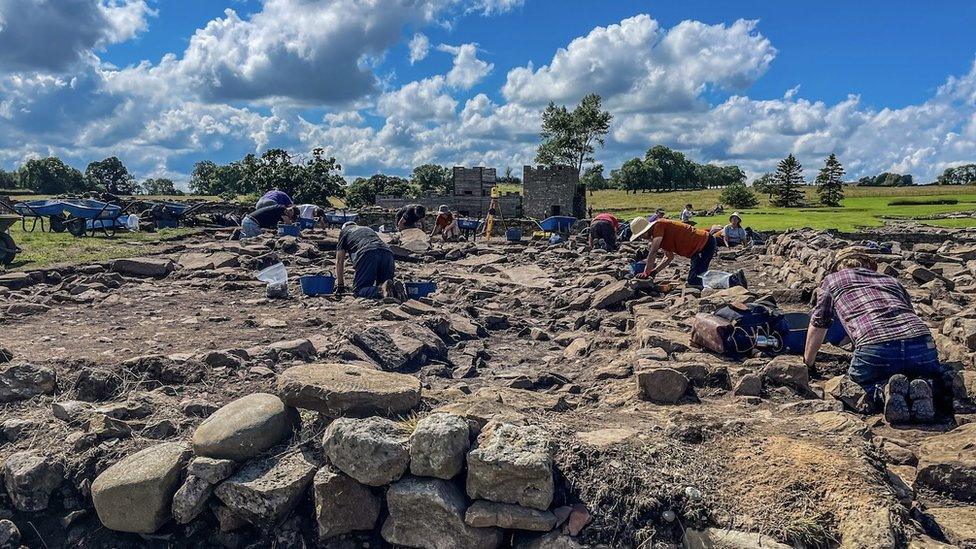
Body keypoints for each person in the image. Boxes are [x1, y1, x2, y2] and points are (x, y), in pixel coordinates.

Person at [804, 246, 953, 423]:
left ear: (839, 267)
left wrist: (809, 363)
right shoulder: (891, 280)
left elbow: (819, 323)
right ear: (871, 266)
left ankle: (883, 391)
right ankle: (925, 387)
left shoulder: (832, 280)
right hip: (920, 341)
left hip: (876, 347)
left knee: (858, 385)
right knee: (928, 374)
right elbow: (909, 312)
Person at [629, 217, 716, 287]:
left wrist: (646, 272)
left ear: (646, 230)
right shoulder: (660, 237)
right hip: (696, 250)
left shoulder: (659, 225)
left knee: (695, 280)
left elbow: (653, 251)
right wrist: (654, 271)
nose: (642, 238)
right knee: (694, 279)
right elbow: (669, 257)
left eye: (641, 235)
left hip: (704, 243)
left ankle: (726, 281)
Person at [335, 222, 406, 300]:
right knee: (386, 284)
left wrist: (340, 285)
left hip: (368, 252)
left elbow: (339, 260)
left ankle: (381, 291)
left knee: (359, 291)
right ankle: (395, 291)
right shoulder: (367, 229)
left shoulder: (344, 231)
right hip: (387, 252)